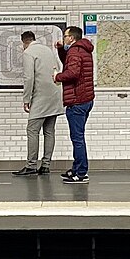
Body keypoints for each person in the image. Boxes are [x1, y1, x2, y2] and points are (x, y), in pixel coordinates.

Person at [13, 31, 64, 176]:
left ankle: (31, 166)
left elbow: (29, 78)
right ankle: (46, 165)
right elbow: (57, 70)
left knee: (32, 130)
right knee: (49, 131)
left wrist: (26, 99)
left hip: (41, 96)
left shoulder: (29, 52)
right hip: (55, 94)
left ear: (24, 42)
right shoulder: (47, 50)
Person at [55, 25, 95, 184]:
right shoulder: (82, 50)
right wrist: (61, 50)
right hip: (86, 99)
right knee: (78, 137)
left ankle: (81, 173)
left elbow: (72, 73)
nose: (64, 39)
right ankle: (77, 168)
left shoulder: (74, 51)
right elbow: (69, 63)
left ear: (71, 38)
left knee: (77, 138)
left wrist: (57, 76)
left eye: (65, 37)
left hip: (77, 100)